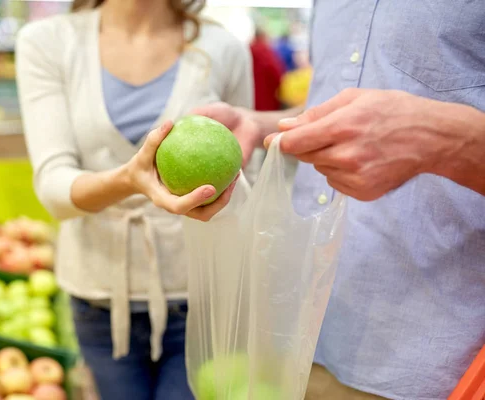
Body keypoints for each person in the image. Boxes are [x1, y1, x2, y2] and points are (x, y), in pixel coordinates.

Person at [136, 1, 485, 399]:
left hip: (432, 356)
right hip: (297, 326)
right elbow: (329, 99)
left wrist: (444, 136)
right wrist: (262, 123)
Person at [15, 0, 253, 399]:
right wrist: (129, 180)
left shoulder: (223, 47)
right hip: (100, 296)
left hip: (203, 295)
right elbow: (54, 189)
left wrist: (227, 197)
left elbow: (248, 168)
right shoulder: (48, 42)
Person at [249, 27, 285, 112]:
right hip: (265, 95)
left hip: (251, 94)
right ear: (263, 36)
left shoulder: (248, 49)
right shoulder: (264, 50)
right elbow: (275, 73)